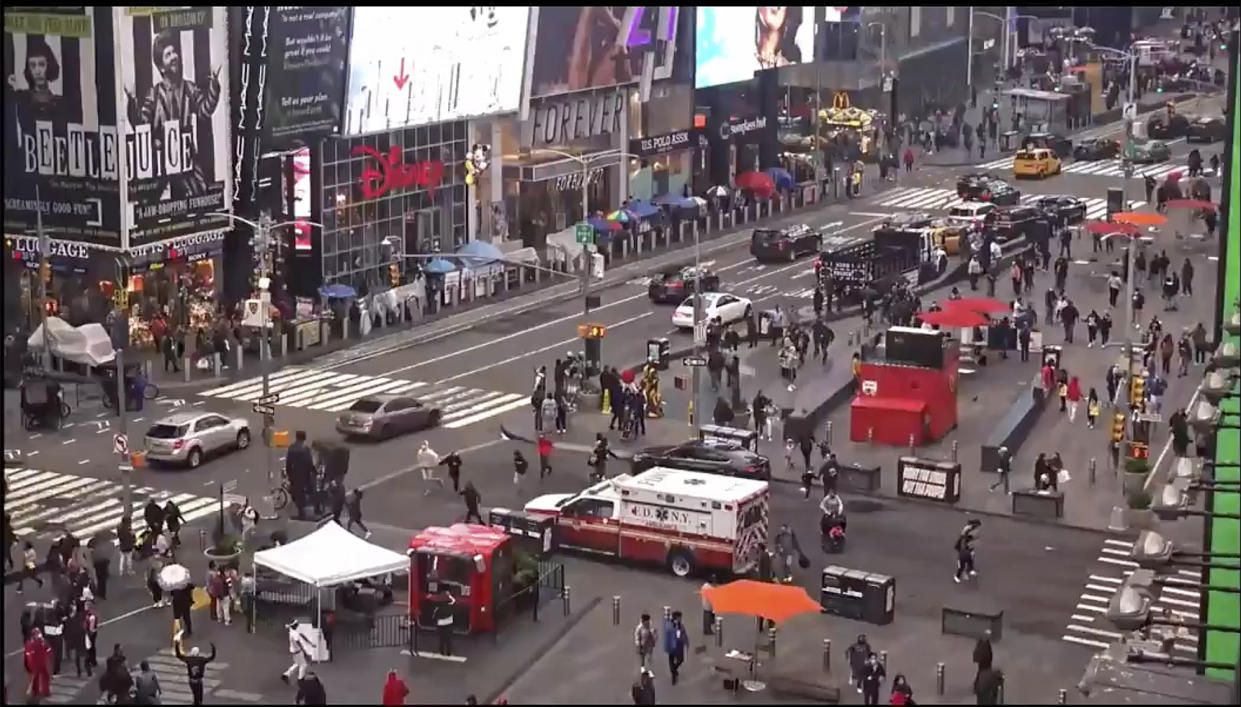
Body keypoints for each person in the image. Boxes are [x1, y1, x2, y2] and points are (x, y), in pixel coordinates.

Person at [663, 610, 689, 684]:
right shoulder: (670, 624)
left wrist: (686, 641)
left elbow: (683, 634)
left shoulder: (680, 625)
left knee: (680, 659)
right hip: (672, 645)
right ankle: (673, 674)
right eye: (680, 617)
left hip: (678, 645)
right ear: (676, 618)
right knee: (671, 660)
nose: (681, 619)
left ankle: (674, 670)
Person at [283, 620, 311, 684]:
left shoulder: (292, 631)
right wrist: (305, 652)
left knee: (297, 664)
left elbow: (301, 635)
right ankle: (300, 679)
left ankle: (286, 674)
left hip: (293, 650)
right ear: (295, 626)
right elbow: (298, 643)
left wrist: (310, 643)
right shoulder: (294, 634)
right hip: (297, 651)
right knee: (304, 664)